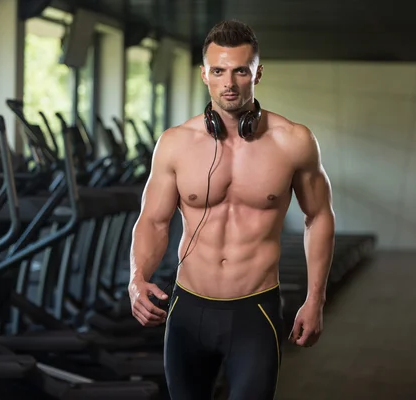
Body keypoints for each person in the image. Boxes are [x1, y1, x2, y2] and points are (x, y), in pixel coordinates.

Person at [128, 19, 336, 400]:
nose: (229, 82)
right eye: (219, 71)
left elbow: (318, 216)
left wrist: (315, 298)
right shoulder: (175, 143)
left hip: (254, 311)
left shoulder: (294, 142)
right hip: (188, 307)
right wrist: (137, 277)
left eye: (241, 70)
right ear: (204, 74)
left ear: (258, 73)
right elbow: (153, 220)